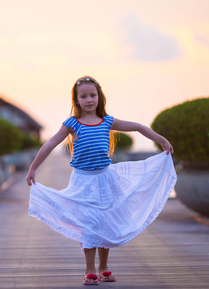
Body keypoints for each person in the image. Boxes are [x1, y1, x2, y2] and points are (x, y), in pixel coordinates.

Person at [26, 76, 177, 286]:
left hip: (106, 178)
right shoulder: (72, 124)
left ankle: (104, 267)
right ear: (76, 100)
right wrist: (33, 168)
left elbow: (138, 127)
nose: (89, 99)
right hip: (83, 181)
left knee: (105, 222)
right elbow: (49, 144)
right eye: (84, 96)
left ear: (99, 97)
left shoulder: (107, 121)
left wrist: (161, 140)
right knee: (89, 224)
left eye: (93, 95)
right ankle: (89, 270)